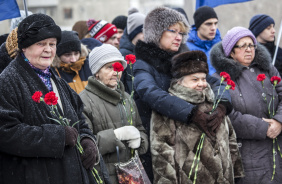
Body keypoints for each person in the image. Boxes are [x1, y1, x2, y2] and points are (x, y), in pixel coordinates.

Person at [0, 13, 104, 184]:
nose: (48, 49)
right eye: (41, 43)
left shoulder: (54, 78)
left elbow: (79, 117)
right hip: (33, 176)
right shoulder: (8, 81)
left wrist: (87, 139)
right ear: (24, 47)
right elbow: (5, 132)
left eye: (52, 44)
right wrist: (56, 137)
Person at [133, 6, 232, 182]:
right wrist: (191, 113)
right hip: (160, 143)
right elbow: (151, 92)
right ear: (156, 32)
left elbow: (216, 82)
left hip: (191, 145)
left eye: (182, 33)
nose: (179, 37)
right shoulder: (143, 65)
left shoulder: (181, 58)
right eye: (173, 31)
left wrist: (222, 105)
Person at [151, 50, 244, 183]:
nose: (201, 83)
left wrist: (235, 172)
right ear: (179, 82)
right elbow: (161, 152)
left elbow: (231, 139)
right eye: (195, 79)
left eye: (203, 78)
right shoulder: (170, 107)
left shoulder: (214, 101)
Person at [210, 26, 282, 184]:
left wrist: (279, 121)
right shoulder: (220, 79)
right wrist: (263, 128)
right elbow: (227, 116)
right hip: (249, 157)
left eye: (251, 45)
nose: (248, 49)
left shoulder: (269, 70)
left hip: (278, 147)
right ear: (231, 52)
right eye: (242, 46)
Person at [79, 44, 148, 183]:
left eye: (118, 67)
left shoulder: (127, 98)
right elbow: (84, 146)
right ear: (97, 72)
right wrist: (115, 136)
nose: (116, 73)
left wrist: (140, 140)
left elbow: (140, 128)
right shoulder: (83, 101)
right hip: (102, 176)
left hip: (131, 175)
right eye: (109, 67)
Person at [186, 6, 221, 75]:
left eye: (215, 23)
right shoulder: (186, 48)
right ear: (198, 26)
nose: (213, 28)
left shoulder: (222, 46)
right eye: (208, 24)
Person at [119, 7, 145, 94]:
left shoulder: (145, 52)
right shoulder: (123, 54)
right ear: (134, 32)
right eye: (142, 31)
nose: (145, 34)